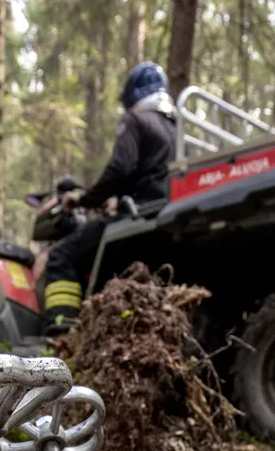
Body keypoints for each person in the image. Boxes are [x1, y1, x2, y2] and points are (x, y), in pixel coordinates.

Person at [41, 61, 177, 333]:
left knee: (60, 257)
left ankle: (60, 332)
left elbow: (120, 168)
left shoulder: (136, 119)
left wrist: (83, 199)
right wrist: (115, 198)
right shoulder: (174, 129)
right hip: (158, 209)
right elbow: (152, 173)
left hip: (136, 214)